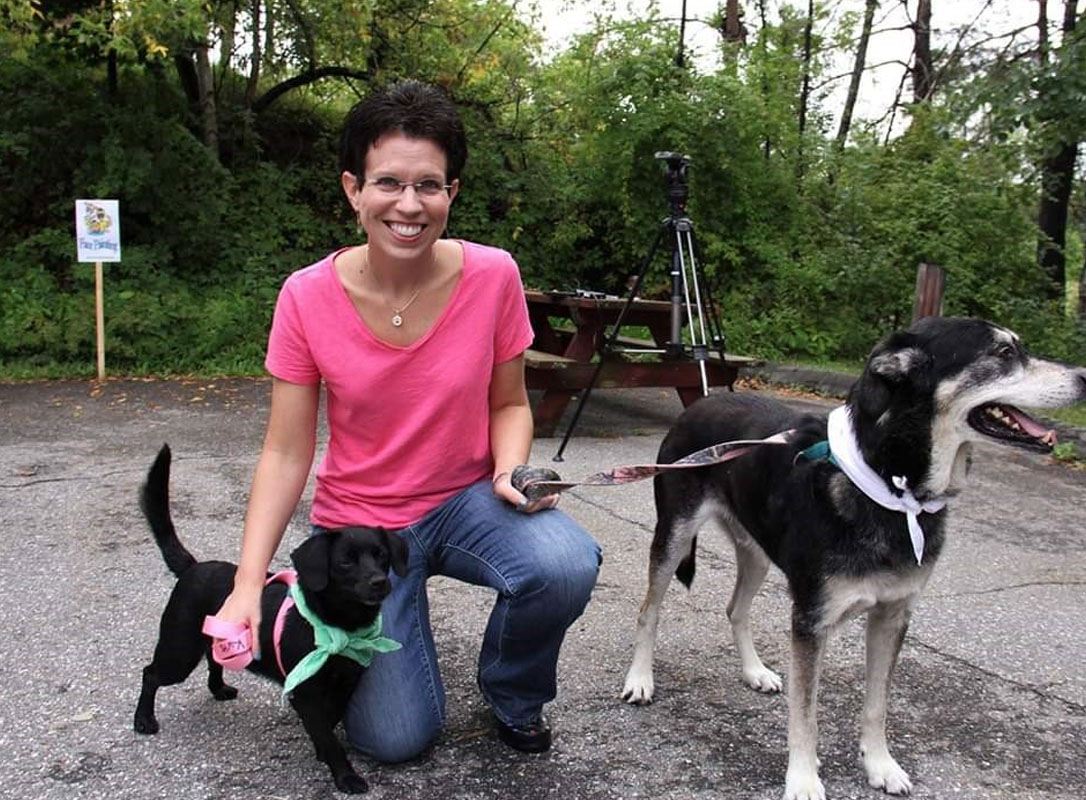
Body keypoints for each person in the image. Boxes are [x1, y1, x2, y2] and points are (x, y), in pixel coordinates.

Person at [213, 79, 601, 762]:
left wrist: (511, 469)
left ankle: (512, 693)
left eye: (430, 185)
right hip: (362, 527)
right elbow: (284, 452)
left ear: (452, 191)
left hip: (465, 502)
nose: (409, 204)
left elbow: (508, 403)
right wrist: (247, 584)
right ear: (352, 189)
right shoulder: (305, 297)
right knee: (393, 740)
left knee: (565, 563)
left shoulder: (493, 276)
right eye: (388, 182)